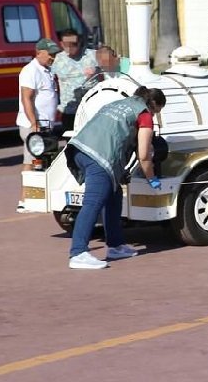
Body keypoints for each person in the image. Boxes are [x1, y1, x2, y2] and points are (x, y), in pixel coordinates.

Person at [66, 86, 167, 270]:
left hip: (78, 149)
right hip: (99, 156)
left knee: (114, 195)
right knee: (93, 202)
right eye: (157, 112)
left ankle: (116, 246)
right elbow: (144, 155)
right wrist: (153, 180)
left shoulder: (119, 103)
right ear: (153, 105)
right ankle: (78, 252)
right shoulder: (144, 114)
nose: (154, 117)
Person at [17, 39, 61, 171]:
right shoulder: (31, 71)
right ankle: (27, 191)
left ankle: (41, 191)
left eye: (54, 54)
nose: (53, 57)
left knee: (44, 163)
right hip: (35, 126)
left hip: (45, 126)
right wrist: (33, 123)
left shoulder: (48, 70)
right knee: (31, 161)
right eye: (50, 54)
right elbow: (27, 98)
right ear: (38, 53)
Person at [51, 28, 96, 132]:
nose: (70, 47)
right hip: (69, 111)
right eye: (67, 44)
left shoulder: (93, 55)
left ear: (79, 42)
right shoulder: (58, 59)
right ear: (61, 44)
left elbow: (116, 64)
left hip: (90, 110)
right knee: (71, 144)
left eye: (73, 44)